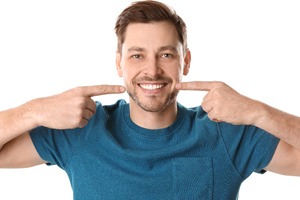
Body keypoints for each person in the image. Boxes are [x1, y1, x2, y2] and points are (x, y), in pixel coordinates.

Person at [0, 0, 300, 199]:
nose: (152, 70)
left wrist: (259, 113)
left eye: (166, 54)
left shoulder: (226, 132)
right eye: (137, 55)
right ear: (119, 64)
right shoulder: (82, 130)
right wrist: (36, 111)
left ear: (186, 62)